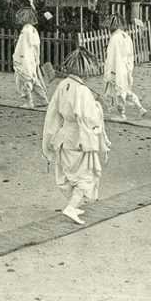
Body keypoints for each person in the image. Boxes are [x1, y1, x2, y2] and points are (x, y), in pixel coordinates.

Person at [42, 47, 111, 225]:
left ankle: (74, 203)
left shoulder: (63, 85)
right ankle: (71, 207)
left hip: (64, 136)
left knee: (70, 173)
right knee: (86, 175)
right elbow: (89, 118)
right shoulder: (83, 91)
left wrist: (49, 139)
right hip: (79, 138)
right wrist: (97, 108)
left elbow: (52, 114)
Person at [103, 13, 147, 120]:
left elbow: (112, 56)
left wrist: (110, 71)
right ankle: (139, 107)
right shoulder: (127, 37)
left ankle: (121, 114)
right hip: (125, 67)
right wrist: (129, 69)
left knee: (118, 92)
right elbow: (130, 55)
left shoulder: (114, 39)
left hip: (116, 68)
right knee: (125, 90)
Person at [13, 7, 48, 108]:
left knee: (24, 79)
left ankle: (29, 102)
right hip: (30, 58)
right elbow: (36, 46)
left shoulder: (26, 30)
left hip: (24, 58)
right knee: (34, 79)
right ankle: (43, 99)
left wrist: (19, 58)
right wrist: (36, 59)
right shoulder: (33, 30)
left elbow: (23, 46)